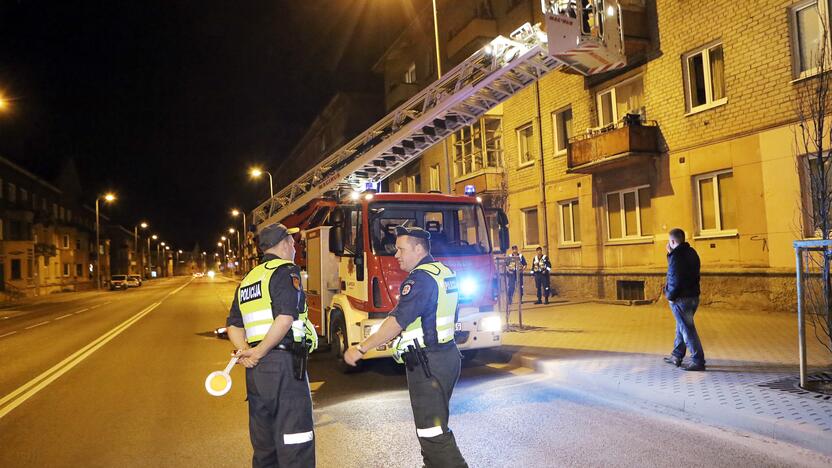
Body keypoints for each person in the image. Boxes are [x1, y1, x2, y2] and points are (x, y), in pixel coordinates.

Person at [344, 226, 468, 468]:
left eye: (401, 249)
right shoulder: (443, 271)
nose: (396, 255)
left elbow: (396, 322)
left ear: (419, 248)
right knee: (433, 426)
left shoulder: (419, 279)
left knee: (432, 431)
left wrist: (361, 348)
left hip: (427, 364)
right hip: (446, 356)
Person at [226, 222, 318, 467]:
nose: (295, 246)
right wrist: (259, 351)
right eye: (292, 240)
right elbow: (285, 318)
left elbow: (233, 325)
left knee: (264, 444)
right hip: (283, 365)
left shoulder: (249, 279)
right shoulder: (286, 271)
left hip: (256, 373)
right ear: (284, 243)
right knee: (295, 438)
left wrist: (246, 352)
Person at [663, 228, 705, 372]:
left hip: (681, 298)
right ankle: (677, 355)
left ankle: (698, 360)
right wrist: (671, 253)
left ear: (673, 241)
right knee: (681, 327)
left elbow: (674, 278)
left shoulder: (677, 256)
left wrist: (669, 296)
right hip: (693, 296)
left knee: (688, 330)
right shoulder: (691, 252)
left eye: (669, 241)